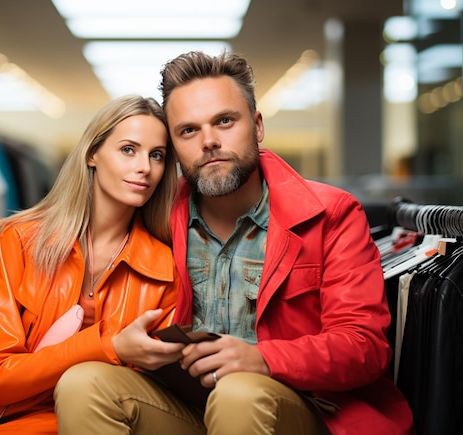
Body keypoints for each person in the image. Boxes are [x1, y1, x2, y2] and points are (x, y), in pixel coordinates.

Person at [54, 52, 415, 434]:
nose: (209, 141)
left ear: (257, 126)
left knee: (239, 394)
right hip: (188, 407)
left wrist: (262, 359)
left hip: (303, 407)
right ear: (174, 147)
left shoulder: (331, 215)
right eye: (188, 131)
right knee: (83, 383)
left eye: (224, 121)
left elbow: (364, 347)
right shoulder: (154, 216)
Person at [0, 94, 185, 434]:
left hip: (78, 417)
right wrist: (108, 347)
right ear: (92, 154)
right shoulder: (22, 241)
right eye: (128, 149)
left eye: (157, 155)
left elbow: (137, 395)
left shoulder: (167, 271)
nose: (145, 167)